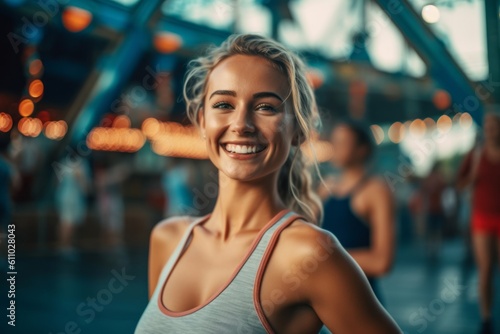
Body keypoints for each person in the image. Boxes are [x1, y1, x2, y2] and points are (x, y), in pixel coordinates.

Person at [135, 34, 401, 333]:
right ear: (201, 121)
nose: (240, 124)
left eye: (266, 108)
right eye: (223, 104)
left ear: (298, 132)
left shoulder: (309, 254)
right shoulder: (167, 239)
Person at [317, 119, 395, 302]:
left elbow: (382, 262)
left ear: (362, 149)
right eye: (334, 142)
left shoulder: (376, 191)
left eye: (343, 143)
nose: (336, 148)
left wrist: (327, 259)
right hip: (324, 300)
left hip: (360, 300)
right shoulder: (325, 188)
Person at [456, 110, 500, 334]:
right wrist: (472, 178)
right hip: (482, 216)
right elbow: (459, 184)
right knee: (485, 269)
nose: (491, 128)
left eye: (495, 124)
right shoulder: (476, 154)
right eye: (488, 124)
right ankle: (486, 318)